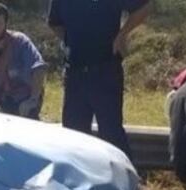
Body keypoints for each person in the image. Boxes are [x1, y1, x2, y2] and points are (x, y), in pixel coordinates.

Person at [47, 0, 150, 158]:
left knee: (111, 134)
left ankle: (123, 179)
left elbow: (143, 8)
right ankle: (79, 180)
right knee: (74, 135)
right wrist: (69, 40)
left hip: (105, 70)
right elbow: (54, 22)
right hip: (75, 73)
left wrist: (122, 35)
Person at [0, 3, 47, 118]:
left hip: (23, 99)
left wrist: (33, 99)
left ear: (6, 24)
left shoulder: (21, 42)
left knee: (26, 118)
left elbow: (39, 68)